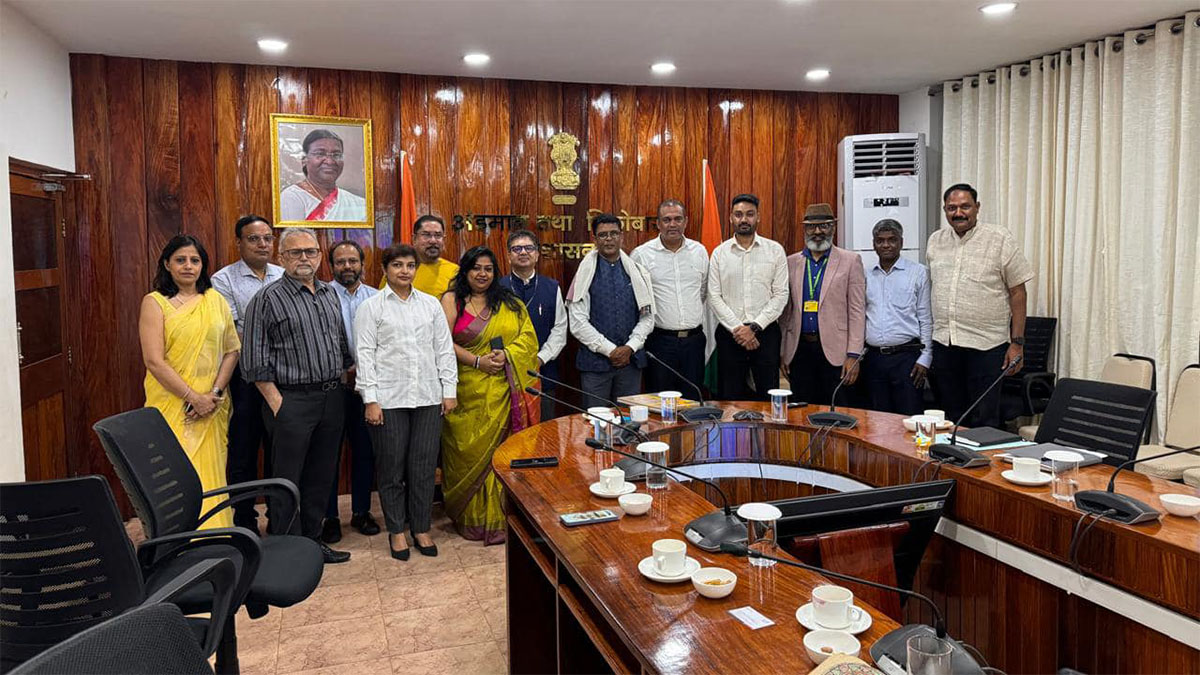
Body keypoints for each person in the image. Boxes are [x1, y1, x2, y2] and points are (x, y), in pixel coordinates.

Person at [241, 227, 353, 563]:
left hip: (331, 398)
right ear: (281, 257)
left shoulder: (328, 294)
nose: (304, 258)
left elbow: (341, 348)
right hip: (291, 401)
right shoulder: (267, 299)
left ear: (320, 257)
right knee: (286, 479)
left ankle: (312, 542)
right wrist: (280, 405)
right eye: (295, 253)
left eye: (310, 252)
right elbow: (254, 361)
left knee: (321, 474)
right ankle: (287, 552)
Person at [355, 244, 457, 560]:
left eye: (410, 265)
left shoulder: (430, 305)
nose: (404, 271)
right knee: (391, 469)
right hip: (388, 399)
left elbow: (443, 349)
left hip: (428, 397)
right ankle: (397, 530)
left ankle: (421, 528)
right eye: (397, 265)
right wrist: (370, 399)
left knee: (424, 467)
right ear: (385, 269)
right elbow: (365, 355)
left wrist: (449, 389)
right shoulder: (371, 308)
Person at [139, 234, 240, 530]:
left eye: (195, 261)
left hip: (213, 405)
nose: (188, 266)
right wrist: (192, 397)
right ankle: (178, 543)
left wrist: (213, 393)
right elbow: (154, 361)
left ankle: (215, 538)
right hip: (172, 405)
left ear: (203, 266)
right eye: (181, 260)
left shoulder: (215, 300)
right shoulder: (154, 303)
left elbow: (232, 350)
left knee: (212, 474)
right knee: (176, 475)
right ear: (167, 264)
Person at [440, 246, 539, 544]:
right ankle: (471, 518)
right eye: (476, 268)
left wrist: (507, 354)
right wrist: (478, 361)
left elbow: (528, 338)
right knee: (467, 453)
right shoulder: (451, 299)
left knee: (505, 455)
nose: (482, 274)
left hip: (505, 391)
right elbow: (442, 342)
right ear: (465, 271)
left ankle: (504, 518)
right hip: (465, 391)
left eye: (488, 269)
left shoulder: (509, 302)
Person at [927, 183, 1034, 427]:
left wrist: (1017, 344)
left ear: (977, 207)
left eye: (965, 206)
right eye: (951, 208)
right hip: (946, 343)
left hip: (987, 347)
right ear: (945, 210)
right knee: (950, 416)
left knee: (984, 419)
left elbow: (1018, 292)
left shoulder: (999, 238)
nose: (958, 213)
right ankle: (953, 462)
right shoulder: (936, 241)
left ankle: (985, 464)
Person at [211, 214, 283, 532]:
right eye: (254, 239)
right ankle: (244, 521)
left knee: (279, 450)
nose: (263, 244)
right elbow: (236, 332)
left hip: (284, 376)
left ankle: (279, 519)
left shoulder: (284, 274)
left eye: (267, 238)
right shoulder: (223, 281)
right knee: (243, 452)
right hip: (245, 378)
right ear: (238, 242)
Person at [321, 240, 381, 543]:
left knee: (365, 452)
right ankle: (329, 516)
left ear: (362, 264)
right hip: (332, 387)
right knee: (329, 454)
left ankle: (361, 511)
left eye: (353, 261)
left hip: (366, 389)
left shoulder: (377, 297)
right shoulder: (320, 296)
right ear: (331, 266)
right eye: (341, 262)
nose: (348, 267)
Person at [567, 213, 655, 409]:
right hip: (595, 365)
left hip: (630, 363)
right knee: (595, 424)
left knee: (628, 424)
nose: (609, 239)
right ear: (595, 239)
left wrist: (629, 347)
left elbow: (648, 317)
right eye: (603, 235)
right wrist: (610, 350)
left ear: (621, 236)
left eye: (614, 233)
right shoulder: (584, 273)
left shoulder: (638, 271)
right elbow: (577, 322)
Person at [781, 203, 866, 405]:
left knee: (838, 412)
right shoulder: (791, 262)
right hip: (799, 351)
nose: (818, 232)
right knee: (802, 411)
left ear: (833, 228)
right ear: (804, 229)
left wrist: (853, 355)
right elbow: (786, 313)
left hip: (837, 353)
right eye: (811, 226)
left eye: (824, 226)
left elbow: (857, 311)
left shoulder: (851, 261)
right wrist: (784, 352)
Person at [707, 194, 789, 401]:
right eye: (739, 215)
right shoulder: (719, 253)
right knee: (730, 396)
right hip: (730, 335)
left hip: (766, 333)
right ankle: (731, 435)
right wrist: (738, 329)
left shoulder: (775, 251)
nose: (744, 220)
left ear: (758, 217)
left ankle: (767, 434)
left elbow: (781, 295)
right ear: (731, 219)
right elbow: (714, 296)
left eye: (749, 214)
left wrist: (754, 328)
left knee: (768, 396)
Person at [632, 199, 709, 395]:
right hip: (660, 342)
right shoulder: (641, 255)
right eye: (666, 220)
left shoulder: (699, 251)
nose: (672, 224)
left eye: (677, 219)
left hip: (694, 341)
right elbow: (638, 300)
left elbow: (703, 291)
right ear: (658, 223)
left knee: (693, 400)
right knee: (660, 401)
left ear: (686, 221)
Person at [861, 219, 932, 415]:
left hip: (907, 359)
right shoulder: (865, 275)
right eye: (880, 240)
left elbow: (926, 317)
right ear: (873, 244)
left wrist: (926, 358)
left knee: (908, 418)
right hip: (873, 360)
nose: (886, 245)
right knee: (876, 419)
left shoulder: (918, 273)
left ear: (901, 242)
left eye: (892, 240)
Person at [499, 229, 568, 419]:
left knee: (543, 435)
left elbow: (560, 329)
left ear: (537, 254)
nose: (523, 252)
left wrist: (539, 359)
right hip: (506, 374)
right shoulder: (497, 288)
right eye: (517, 249)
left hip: (542, 371)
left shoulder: (551, 287)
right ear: (508, 255)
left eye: (529, 248)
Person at [279, 129, 368, 222]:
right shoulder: (292, 197)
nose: (330, 161)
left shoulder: (358, 203)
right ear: (304, 160)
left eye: (336, 155)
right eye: (320, 154)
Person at [413, 215, 459, 296]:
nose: (433, 241)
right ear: (414, 239)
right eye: (426, 235)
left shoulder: (455, 272)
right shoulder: (400, 270)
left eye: (438, 235)